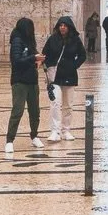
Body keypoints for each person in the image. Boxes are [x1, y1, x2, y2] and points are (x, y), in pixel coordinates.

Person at [42, 14, 87, 142]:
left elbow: (83, 55)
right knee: (55, 103)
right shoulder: (52, 39)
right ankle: (55, 131)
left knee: (68, 105)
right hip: (55, 76)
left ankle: (66, 130)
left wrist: (73, 66)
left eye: (64, 26)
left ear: (69, 27)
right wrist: (49, 66)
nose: (62, 28)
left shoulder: (75, 40)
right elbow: (45, 54)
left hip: (70, 75)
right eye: (60, 25)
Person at [4, 16, 44, 156]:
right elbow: (16, 61)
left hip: (32, 81)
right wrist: (33, 58)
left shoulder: (30, 41)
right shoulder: (17, 41)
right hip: (20, 81)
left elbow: (31, 56)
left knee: (35, 112)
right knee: (17, 111)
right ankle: (9, 140)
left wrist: (38, 60)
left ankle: (34, 136)